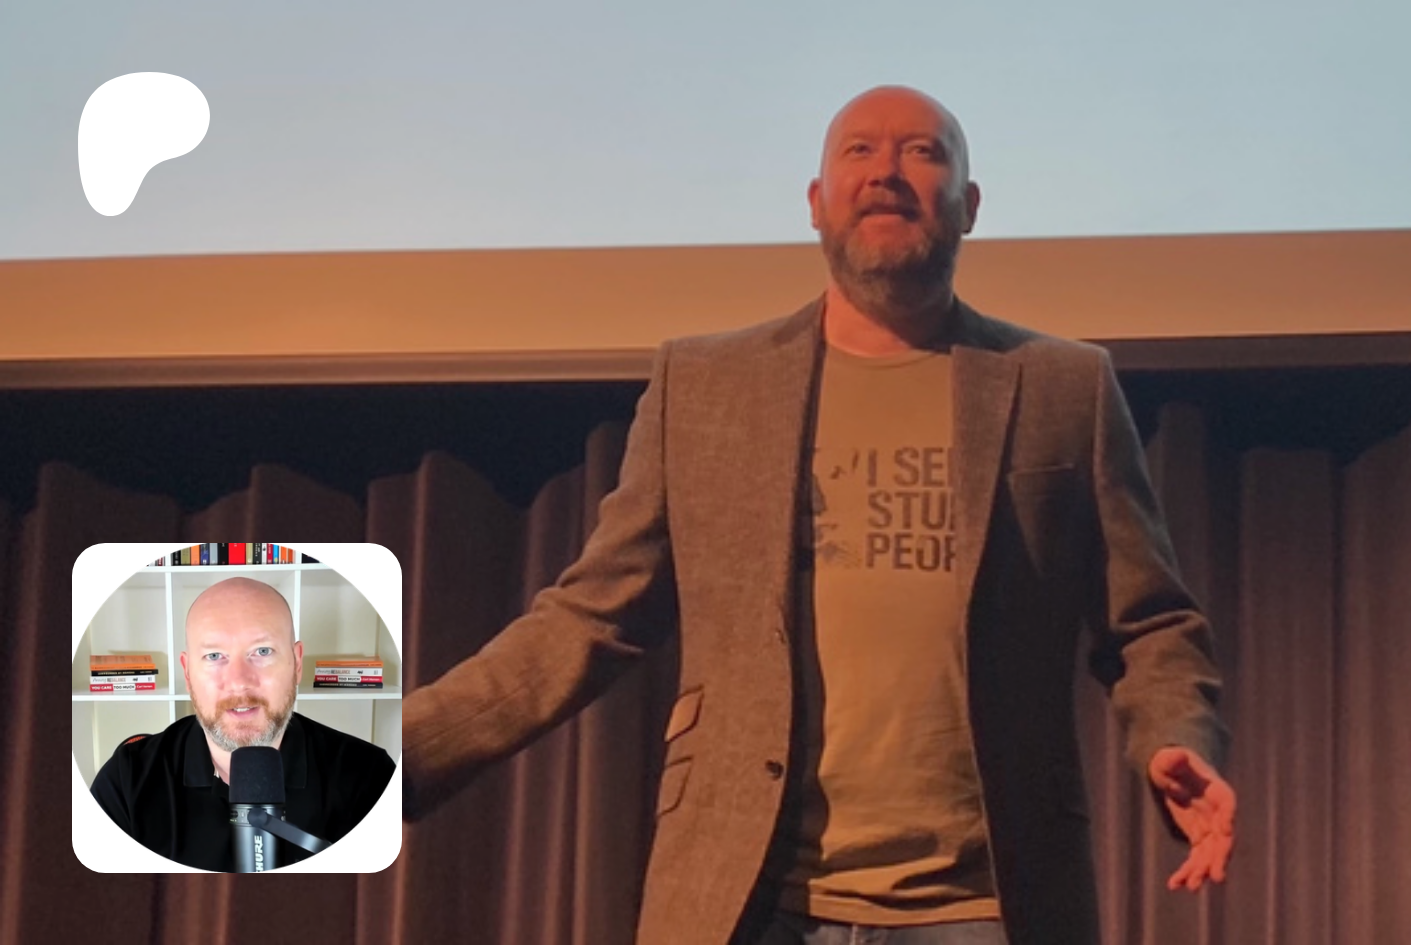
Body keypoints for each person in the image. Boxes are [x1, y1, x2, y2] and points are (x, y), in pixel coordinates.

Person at [401, 86, 1235, 944]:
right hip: (749, 898)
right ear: (815, 201)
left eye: (923, 152)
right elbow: (586, 618)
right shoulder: (708, 386)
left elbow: (1150, 623)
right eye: (859, 151)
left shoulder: (1064, 385)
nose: (887, 172)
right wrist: (394, 754)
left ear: (970, 205)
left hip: (984, 906)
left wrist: (1178, 735)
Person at [90, 577, 395, 871]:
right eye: (214, 655)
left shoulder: (369, 777)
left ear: (297, 662)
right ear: (188, 672)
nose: (238, 682)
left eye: (262, 651)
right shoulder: (126, 783)